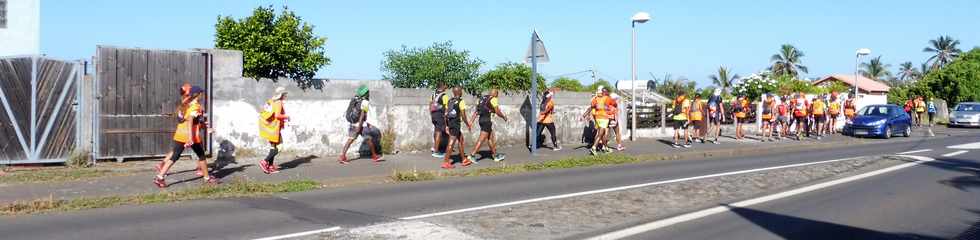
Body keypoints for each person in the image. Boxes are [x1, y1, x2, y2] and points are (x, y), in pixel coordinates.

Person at [153, 86, 219, 188]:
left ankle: (160, 177)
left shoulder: (186, 104)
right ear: (199, 94)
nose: (203, 95)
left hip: (180, 134)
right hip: (190, 136)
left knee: (175, 156)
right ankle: (207, 178)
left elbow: (196, 120)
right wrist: (190, 138)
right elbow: (190, 121)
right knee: (201, 155)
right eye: (202, 93)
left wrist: (206, 128)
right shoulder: (195, 106)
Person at [155, 83, 205, 176]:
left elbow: (181, 118)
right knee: (199, 152)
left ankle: (161, 167)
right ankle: (201, 170)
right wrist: (200, 122)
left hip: (182, 131)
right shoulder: (191, 104)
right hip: (189, 132)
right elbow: (191, 119)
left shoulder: (183, 103)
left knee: (176, 152)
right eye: (189, 89)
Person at [339, 85, 383, 164]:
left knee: (351, 140)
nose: (369, 93)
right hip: (360, 125)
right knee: (368, 139)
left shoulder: (355, 99)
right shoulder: (365, 102)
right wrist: (359, 127)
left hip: (353, 124)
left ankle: (342, 157)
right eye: (368, 92)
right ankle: (375, 156)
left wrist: (366, 124)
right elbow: (362, 115)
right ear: (365, 93)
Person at [467, 89, 508, 164]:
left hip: (481, 120)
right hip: (486, 121)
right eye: (497, 94)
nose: (497, 96)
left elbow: (477, 111)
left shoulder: (482, 99)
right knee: (481, 139)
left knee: (490, 138)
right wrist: (504, 117)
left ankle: (495, 156)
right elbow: (497, 112)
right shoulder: (493, 99)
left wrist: (471, 122)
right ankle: (472, 155)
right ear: (495, 94)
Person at [257, 87, 289, 174]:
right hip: (275, 128)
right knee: (279, 147)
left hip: (270, 127)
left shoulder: (272, 101)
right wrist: (287, 116)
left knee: (273, 147)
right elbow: (278, 115)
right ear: (281, 94)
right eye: (285, 94)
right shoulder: (278, 103)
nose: (286, 95)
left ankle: (270, 166)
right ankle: (264, 161)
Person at [441, 87, 472, 169]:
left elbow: (445, 114)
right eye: (461, 91)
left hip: (451, 122)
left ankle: (463, 159)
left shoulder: (450, 101)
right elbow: (463, 115)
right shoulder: (461, 101)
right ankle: (446, 162)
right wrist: (468, 124)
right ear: (459, 92)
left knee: (461, 139)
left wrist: (447, 125)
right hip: (456, 124)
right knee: (451, 142)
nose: (462, 92)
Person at [583, 87, 615, 154]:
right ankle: (594, 147)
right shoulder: (608, 98)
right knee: (601, 134)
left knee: (602, 134)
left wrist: (585, 114)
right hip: (604, 118)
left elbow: (591, 107)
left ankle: (606, 148)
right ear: (606, 92)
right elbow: (615, 104)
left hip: (597, 118)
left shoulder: (596, 99)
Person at [429, 84, 450, 158]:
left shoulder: (433, 95)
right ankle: (436, 151)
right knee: (439, 132)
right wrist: (446, 117)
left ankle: (435, 147)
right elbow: (446, 108)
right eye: (445, 86)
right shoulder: (444, 96)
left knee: (436, 130)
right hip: (440, 115)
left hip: (433, 115)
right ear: (442, 87)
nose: (446, 87)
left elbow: (430, 104)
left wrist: (431, 114)